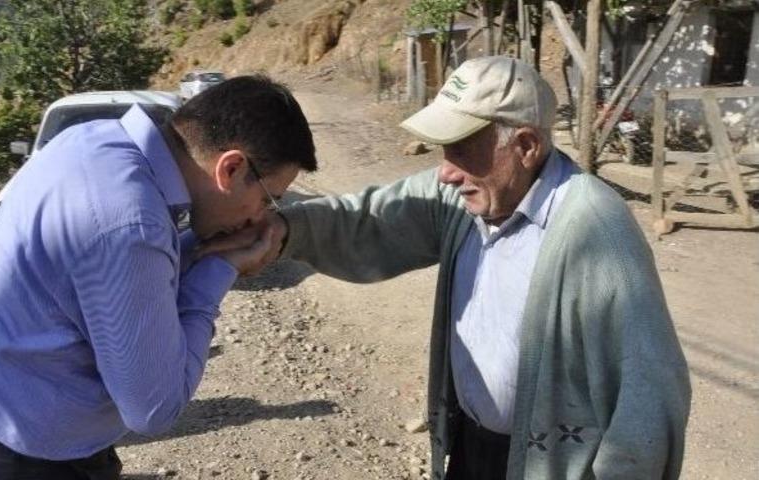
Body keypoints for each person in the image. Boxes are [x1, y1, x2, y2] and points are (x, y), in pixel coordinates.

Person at [204, 56, 691, 479]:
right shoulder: (468, 198)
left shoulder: (594, 228)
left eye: (461, 148)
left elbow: (651, 398)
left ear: (525, 146)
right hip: (470, 448)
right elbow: (370, 220)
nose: (445, 170)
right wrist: (280, 230)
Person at [0, 75, 316, 479]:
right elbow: (154, 409)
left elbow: (113, 266)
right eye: (266, 198)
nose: (259, 216)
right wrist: (221, 268)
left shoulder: (92, 139)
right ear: (231, 167)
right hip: (29, 464)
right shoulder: (130, 224)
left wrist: (201, 246)